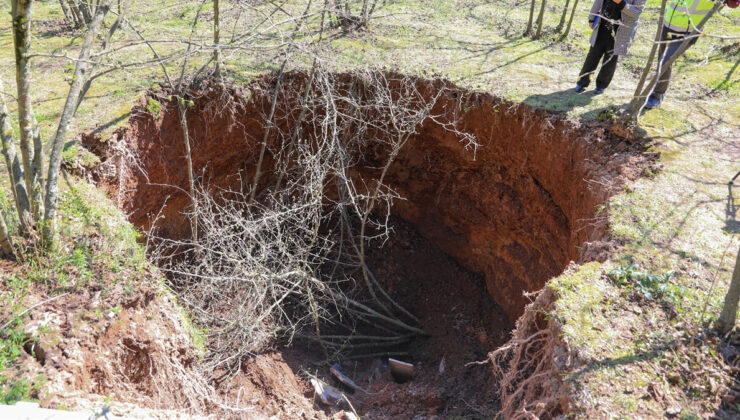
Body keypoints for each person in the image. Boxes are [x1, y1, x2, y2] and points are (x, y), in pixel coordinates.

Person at [646, 0, 739, 108]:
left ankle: (657, 96)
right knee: (661, 60)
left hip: (688, 33)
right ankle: (653, 90)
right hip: (668, 24)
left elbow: (734, 3)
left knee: (666, 61)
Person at [575, 0, 646, 94]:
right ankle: (582, 82)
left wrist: (622, 3)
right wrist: (591, 18)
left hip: (620, 31)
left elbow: (636, 12)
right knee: (593, 55)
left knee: (610, 59)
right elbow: (598, 2)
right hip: (602, 25)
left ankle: (601, 85)